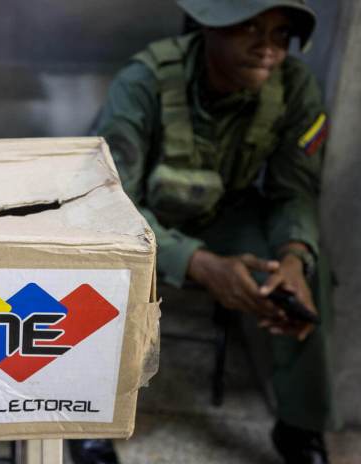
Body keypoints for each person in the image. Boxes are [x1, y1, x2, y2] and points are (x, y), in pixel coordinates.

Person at [72, 1, 335, 463]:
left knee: (306, 272)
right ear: (207, 28)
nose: (266, 50)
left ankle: (300, 428)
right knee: (100, 264)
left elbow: (293, 191)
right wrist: (197, 262)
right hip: (143, 217)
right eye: (248, 28)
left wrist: (293, 255)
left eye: (280, 35)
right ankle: (88, 418)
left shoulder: (296, 88)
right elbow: (110, 203)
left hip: (226, 214)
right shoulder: (145, 81)